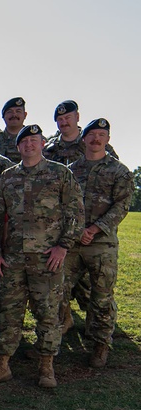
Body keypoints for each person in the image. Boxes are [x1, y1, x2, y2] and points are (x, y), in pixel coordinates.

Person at [0, 125, 84, 389]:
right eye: (24, 141)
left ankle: (46, 367)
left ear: (42, 143)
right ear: (18, 147)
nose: (29, 144)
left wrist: (63, 246)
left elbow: (76, 214)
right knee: (7, 314)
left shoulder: (60, 174)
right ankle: (1, 366)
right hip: (13, 259)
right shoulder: (7, 178)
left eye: (34, 140)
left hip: (47, 259)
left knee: (48, 314)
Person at [66, 118, 132, 368]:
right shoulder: (71, 170)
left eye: (101, 134)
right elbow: (66, 204)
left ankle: (100, 345)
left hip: (102, 243)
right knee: (58, 290)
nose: (96, 139)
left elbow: (122, 206)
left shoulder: (119, 171)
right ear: (84, 139)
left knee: (101, 296)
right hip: (73, 242)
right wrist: (77, 230)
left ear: (107, 139)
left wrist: (94, 229)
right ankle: (57, 335)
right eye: (92, 134)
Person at [44, 101, 119, 165]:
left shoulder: (95, 143)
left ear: (77, 117)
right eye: (60, 119)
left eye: (67, 118)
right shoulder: (48, 148)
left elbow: (115, 169)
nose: (64, 122)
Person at [0, 97, 26, 163]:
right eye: (10, 112)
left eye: (18, 111)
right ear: (3, 116)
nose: (14, 114)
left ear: (25, 115)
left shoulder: (35, 140)